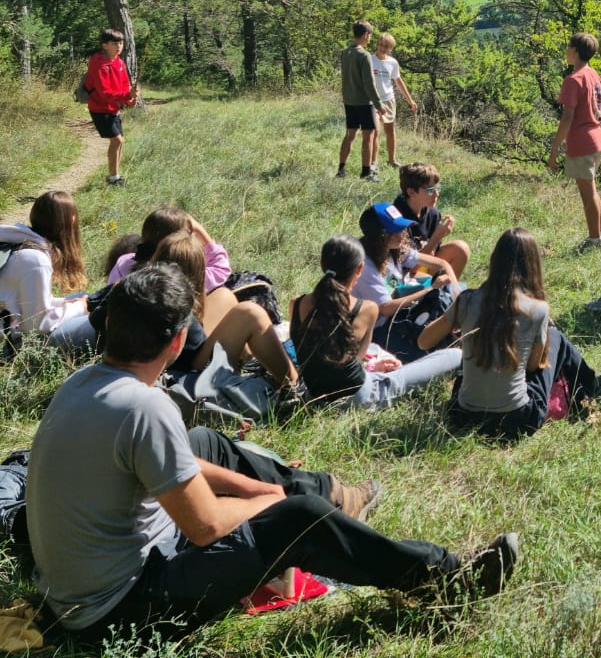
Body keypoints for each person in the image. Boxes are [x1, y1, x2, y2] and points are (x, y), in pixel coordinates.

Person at [26, 264, 519, 643]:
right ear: (177, 342)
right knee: (297, 517)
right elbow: (205, 526)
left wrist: (261, 488)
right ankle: (447, 578)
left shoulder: (85, 382)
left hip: (83, 589)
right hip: (118, 611)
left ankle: (327, 492)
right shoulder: (145, 407)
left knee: (204, 442)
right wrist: (273, 502)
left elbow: (181, 462)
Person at [418, 228, 594, 440]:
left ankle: (590, 387)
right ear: (533, 265)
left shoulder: (466, 300)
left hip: (462, 417)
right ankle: (591, 387)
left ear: (495, 261)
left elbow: (423, 341)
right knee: (556, 338)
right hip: (516, 421)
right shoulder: (538, 310)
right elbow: (531, 367)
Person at [291, 235, 462, 410]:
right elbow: (356, 358)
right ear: (360, 269)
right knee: (455, 356)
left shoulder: (296, 303)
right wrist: (374, 367)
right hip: (359, 397)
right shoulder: (366, 309)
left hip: (314, 396)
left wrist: (372, 366)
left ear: (322, 265)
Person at [141, 231, 298, 391]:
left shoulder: (144, 291)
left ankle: (251, 362)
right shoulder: (182, 309)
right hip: (190, 374)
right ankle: (295, 387)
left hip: (179, 357)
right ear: (199, 273)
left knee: (224, 295)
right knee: (250, 314)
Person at [0, 190, 90, 347]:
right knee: (90, 320)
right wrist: (80, 308)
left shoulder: (18, 243)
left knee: (85, 297)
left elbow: (23, 302)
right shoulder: (36, 260)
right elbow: (38, 324)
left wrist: (65, 303)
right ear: (72, 220)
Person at [548, 32, 601, 254]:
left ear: (575, 50)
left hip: (582, 142)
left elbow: (567, 117)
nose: (566, 51)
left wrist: (555, 149)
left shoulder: (573, 80)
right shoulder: (593, 74)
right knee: (592, 191)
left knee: (587, 193)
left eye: (568, 47)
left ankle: (594, 240)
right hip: (596, 139)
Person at [106, 208, 232, 294]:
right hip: (175, 332)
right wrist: (200, 230)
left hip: (124, 329)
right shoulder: (187, 274)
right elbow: (221, 267)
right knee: (223, 295)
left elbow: (108, 291)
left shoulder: (124, 262)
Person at [393, 162, 471, 280]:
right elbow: (409, 269)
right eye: (430, 190)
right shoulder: (397, 219)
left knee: (460, 248)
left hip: (423, 267)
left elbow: (432, 254)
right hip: (403, 275)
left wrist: (434, 243)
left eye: (437, 188)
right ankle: (427, 294)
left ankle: (449, 294)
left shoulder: (432, 213)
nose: (436, 194)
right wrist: (436, 237)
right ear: (411, 192)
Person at [84, 28, 136, 186]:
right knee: (117, 140)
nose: (119, 46)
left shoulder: (119, 62)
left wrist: (129, 100)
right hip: (100, 108)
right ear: (105, 45)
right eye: (115, 43)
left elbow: (124, 85)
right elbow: (105, 92)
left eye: (121, 42)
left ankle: (115, 176)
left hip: (113, 108)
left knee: (120, 141)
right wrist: (126, 97)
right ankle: (113, 178)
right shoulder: (99, 64)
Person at [337, 20, 380, 180]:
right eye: (370, 36)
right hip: (363, 102)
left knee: (349, 135)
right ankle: (366, 172)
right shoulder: (364, 55)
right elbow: (369, 84)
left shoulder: (345, 52)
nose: (370, 40)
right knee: (368, 136)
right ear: (365, 35)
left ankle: (341, 169)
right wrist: (379, 104)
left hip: (349, 101)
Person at [369, 32, 418, 170]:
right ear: (377, 44)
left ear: (390, 48)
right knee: (375, 131)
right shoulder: (370, 60)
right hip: (373, 101)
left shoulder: (392, 63)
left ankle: (392, 160)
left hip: (388, 100)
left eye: (386, 46)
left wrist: (410, 100)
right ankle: (373, 163)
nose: (382, 48)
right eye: (381, 45)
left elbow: (398, 81)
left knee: (390, 131)